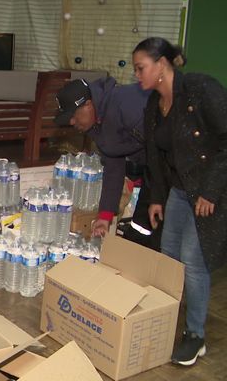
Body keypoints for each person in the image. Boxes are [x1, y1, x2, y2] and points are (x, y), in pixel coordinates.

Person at [133, 36, 227, 366]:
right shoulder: (153, 105)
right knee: (168, 256)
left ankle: (196, 335)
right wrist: (156, 198)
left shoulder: (201, 89)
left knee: (193, 260)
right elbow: (155, 157)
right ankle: (164, 320)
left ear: (162, 64)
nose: (137, 74)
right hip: (178, 190)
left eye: (140, 67)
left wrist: (210, 192)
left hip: (212, 191)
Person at [55, 77, 160, 248]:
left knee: (169, 240)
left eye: (73, 116)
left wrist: (158, 194)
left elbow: (163, 148)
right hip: (155, 172)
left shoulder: (127, 105)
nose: (71, 122)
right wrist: (105, 216)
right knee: (139, 233)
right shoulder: (98, 124)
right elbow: (113, 166)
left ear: (88, 104)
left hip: (176, 169)